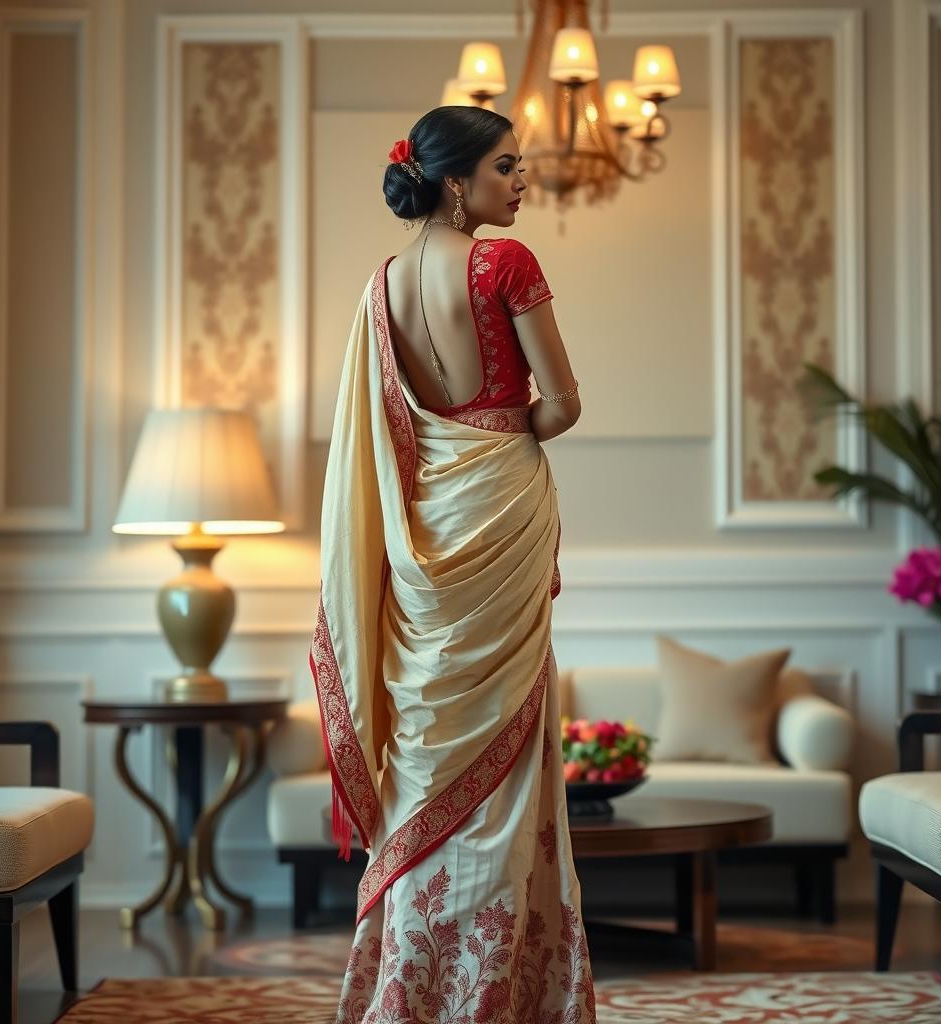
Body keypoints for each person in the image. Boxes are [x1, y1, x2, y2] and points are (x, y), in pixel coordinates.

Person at [310, 104, 595, 1023]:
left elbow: (400, 425)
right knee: (508, 758)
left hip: (425, 520)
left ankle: (414, 986)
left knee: (434, 745)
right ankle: (498, 992)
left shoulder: (381, 284)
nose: (522, 181)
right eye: (507, 166)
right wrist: (509, 433)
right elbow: (563, 403)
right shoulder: (504, 262)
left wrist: (458, 442)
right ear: (453, 180)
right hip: (500, 505)